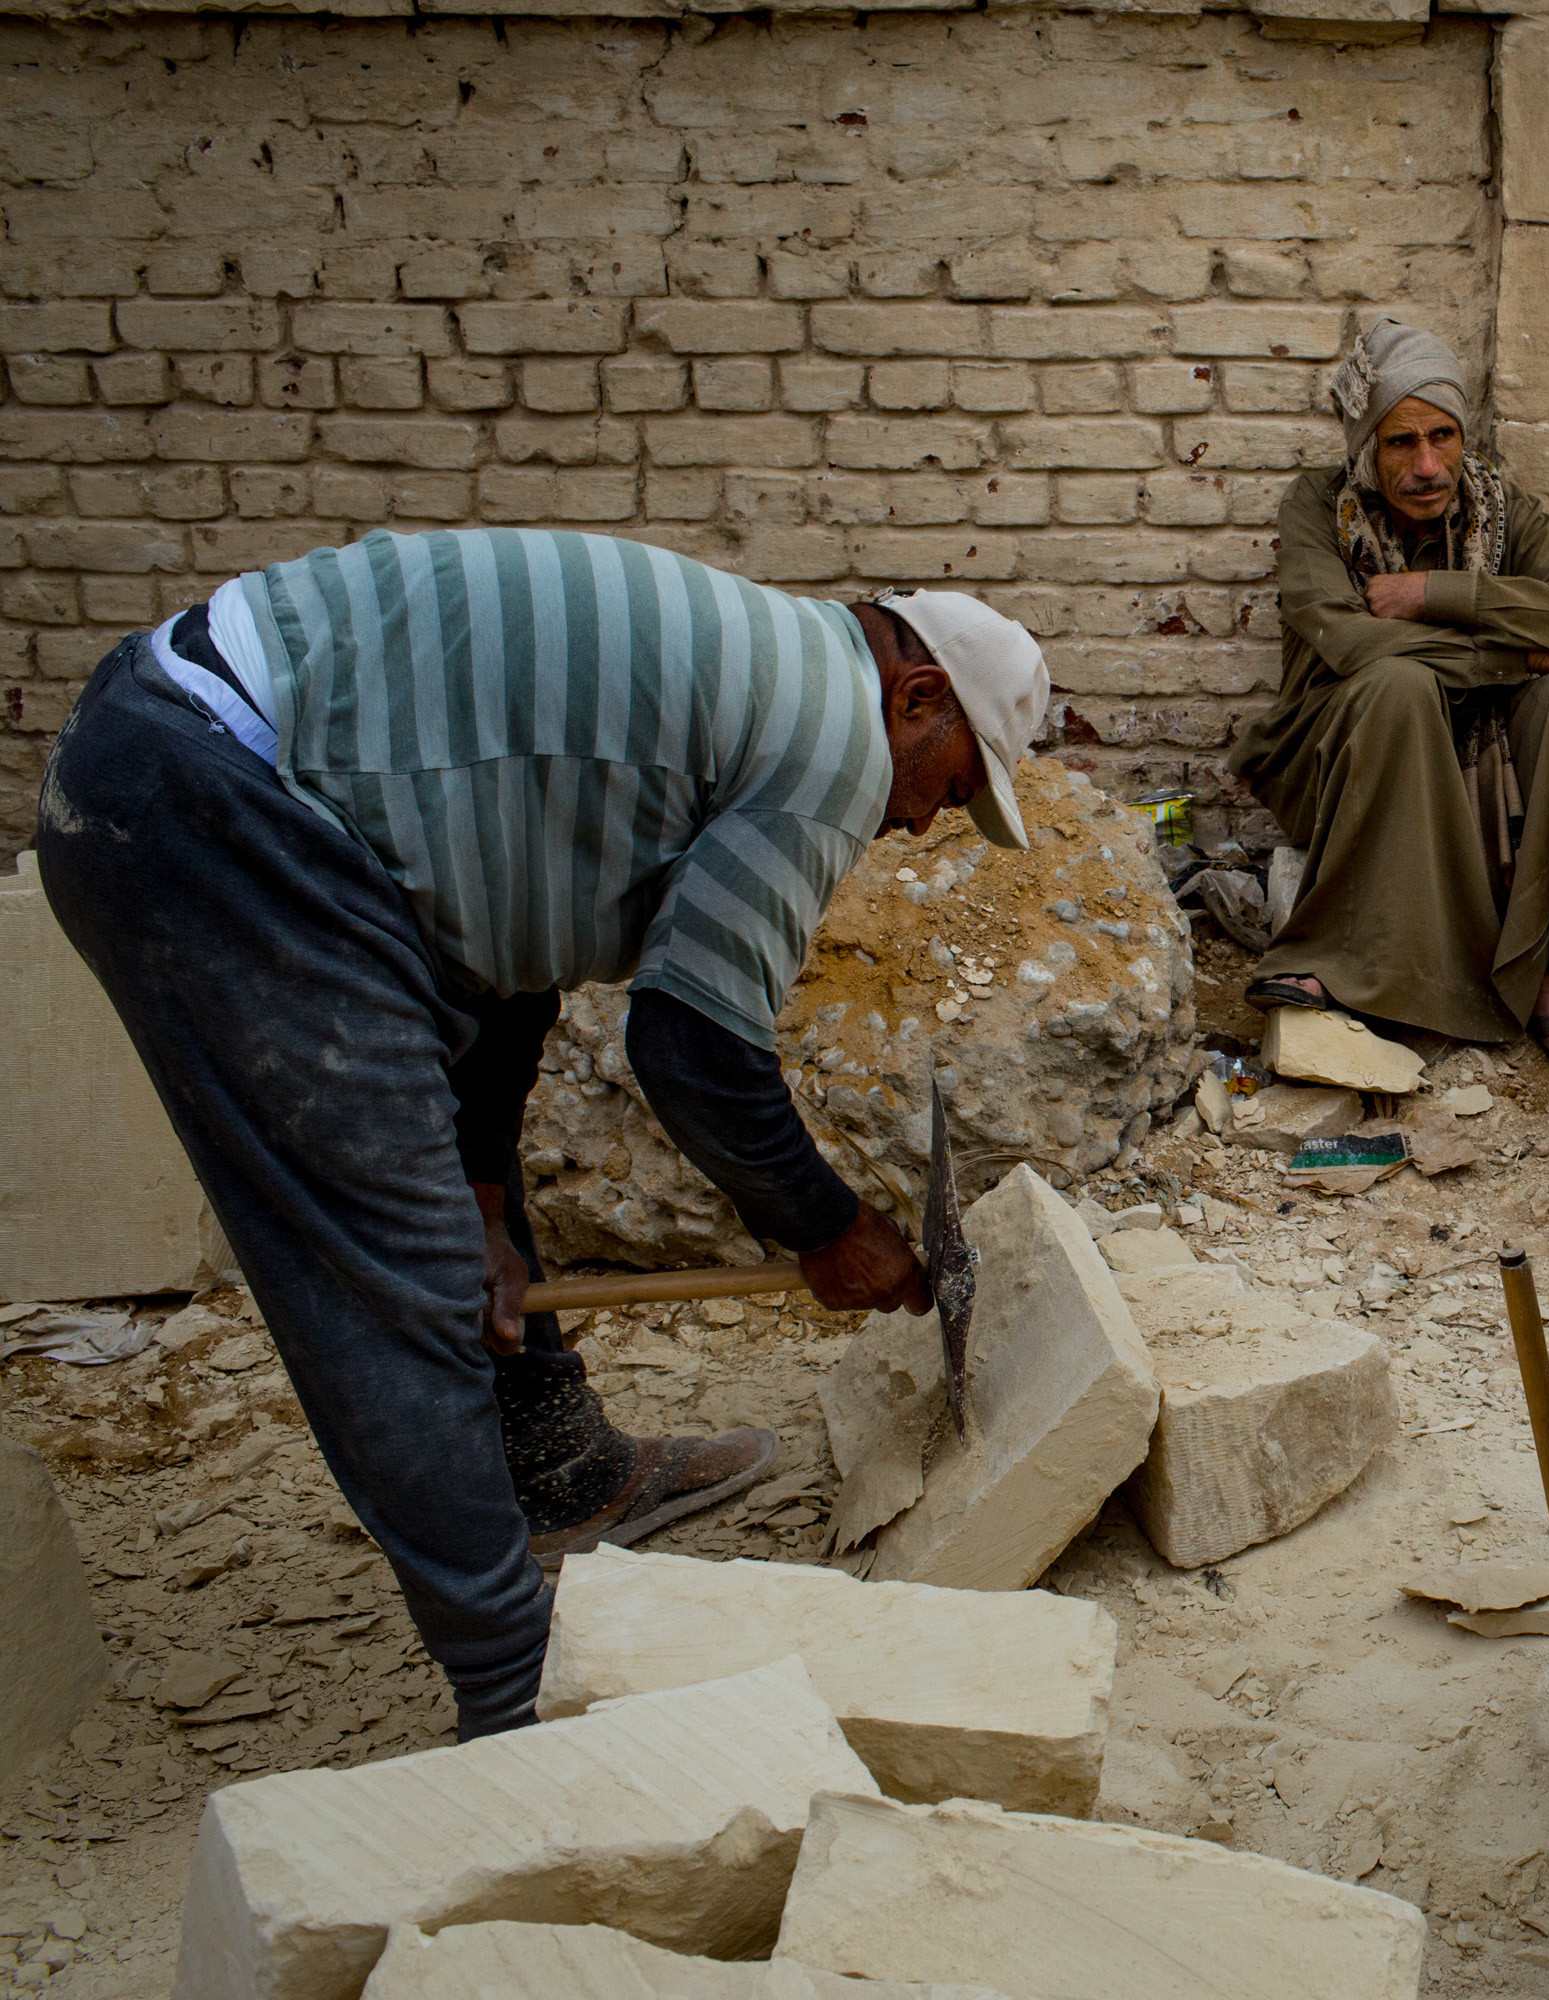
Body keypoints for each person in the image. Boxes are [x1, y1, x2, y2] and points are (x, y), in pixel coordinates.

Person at [38, 528, 1049, 1739]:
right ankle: (514, 1696)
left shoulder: (747, 677)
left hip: (202, 757)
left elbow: (510, 961)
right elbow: (691, 1047)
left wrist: (483, 1193)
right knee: (395, 1276)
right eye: (952, 784)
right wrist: (828, 1230)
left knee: (456, 1218)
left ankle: (563, 1470)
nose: (930, 821)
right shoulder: (832, 734)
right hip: (219, 801)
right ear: (919, 695)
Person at [1228, 317, 1549, 1077]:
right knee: (1397, 686)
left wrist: (1439, 594)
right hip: (1345, 746)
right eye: (1402, 443)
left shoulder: (1498, 507)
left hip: (1486, 740)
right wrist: (1526, 650)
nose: (1428, 465)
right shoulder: (1319, 507)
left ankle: (1537, 964)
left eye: (1444, 438)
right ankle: (1347, 959)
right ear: (1366, 446)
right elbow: (1350, 644)